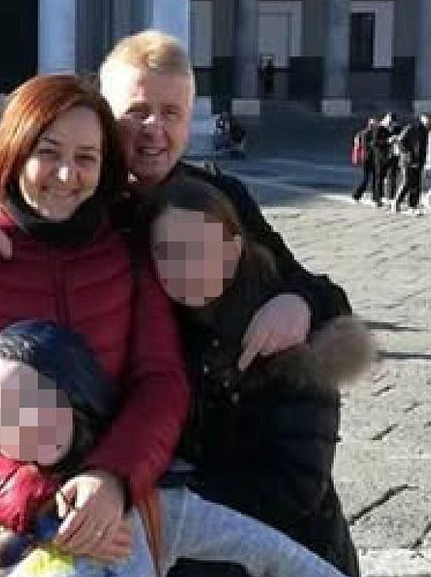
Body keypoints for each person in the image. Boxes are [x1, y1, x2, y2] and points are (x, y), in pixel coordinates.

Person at [0, 31, 358, 575]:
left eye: (171, 112)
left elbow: (172, 369)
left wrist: (300, 301)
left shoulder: (203, 207)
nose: (154, 128)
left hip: (179, 503)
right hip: (6, 516)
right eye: (137, 112)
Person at [0, 74, 188, 569]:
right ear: (14, 150)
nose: (65, 175)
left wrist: (113, 476)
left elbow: (160, 380)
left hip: (101, 516)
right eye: (48, 152)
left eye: (86, 158)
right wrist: (26, 498)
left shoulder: (129, 254)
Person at [0, 320, 345, 577]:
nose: (30, 421)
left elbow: (272, 553)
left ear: (80, 392)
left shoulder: (156, 514)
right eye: (7, 416)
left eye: (43, 398)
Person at [145, 175, 376, 574]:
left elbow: (295, 487)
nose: (185, 267)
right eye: (168, 252)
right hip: (206, 554)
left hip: (292, 555)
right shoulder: (166, 337)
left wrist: (177, 494)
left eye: (200, 249)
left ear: (233, 250)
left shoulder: (286, 342)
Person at [391, 113, 429, 216]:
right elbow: (400, 141)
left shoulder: (425, 131)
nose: (428, 122)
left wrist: (422, 161)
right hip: (407, 161)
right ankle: (396, 202)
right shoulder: (411, 128)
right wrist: (410, 155)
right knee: (407, 182)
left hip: (418, 161)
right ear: (421, 119)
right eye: (427, 120)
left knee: (417, 184)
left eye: (429, 121)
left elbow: (423, 148)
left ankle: (413, 206)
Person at [350, 118, 377, 204]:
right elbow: (362, 146)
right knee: (368, 179)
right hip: (369, 158)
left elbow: (357, 147)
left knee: (372, 178)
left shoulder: (362, 133)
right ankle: (357, 195)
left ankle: (373, 196)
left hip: (368, 157)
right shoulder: (366, 134)